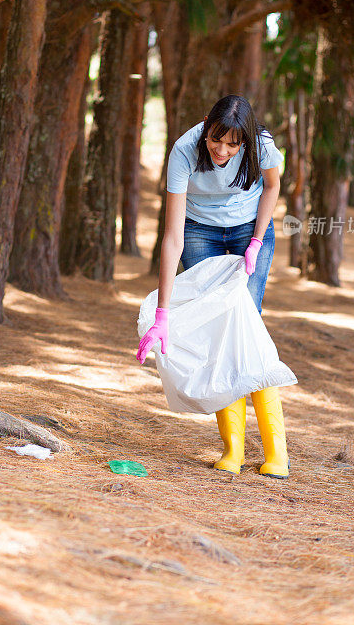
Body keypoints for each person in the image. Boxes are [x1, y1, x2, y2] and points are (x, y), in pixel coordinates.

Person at [136, 94, 290, 479]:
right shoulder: (185, 150)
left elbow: (272, 188)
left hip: (249, 229)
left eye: (232, 144)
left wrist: (256, 241)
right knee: (221, 330)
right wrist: (162, 314)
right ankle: (233, 450)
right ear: (206, 125)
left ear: (246, 141)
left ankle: (277, 454)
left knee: (246, 329)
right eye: (215, 138)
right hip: (198, 230)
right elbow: (172, 237)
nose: (221, 150)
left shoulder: (263, 146)